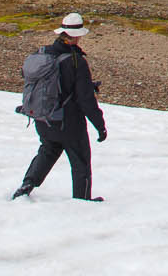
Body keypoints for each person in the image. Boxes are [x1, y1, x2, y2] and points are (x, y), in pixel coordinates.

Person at [12, 12, 107, 201]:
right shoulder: (76, 61)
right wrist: (100, 126)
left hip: (44, 118)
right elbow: (85, 99)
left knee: (48, 151)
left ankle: (27, 185)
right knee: (80, 161)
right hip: (69, 122)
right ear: (78, 35)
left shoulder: (44, 54)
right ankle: (82, 201)